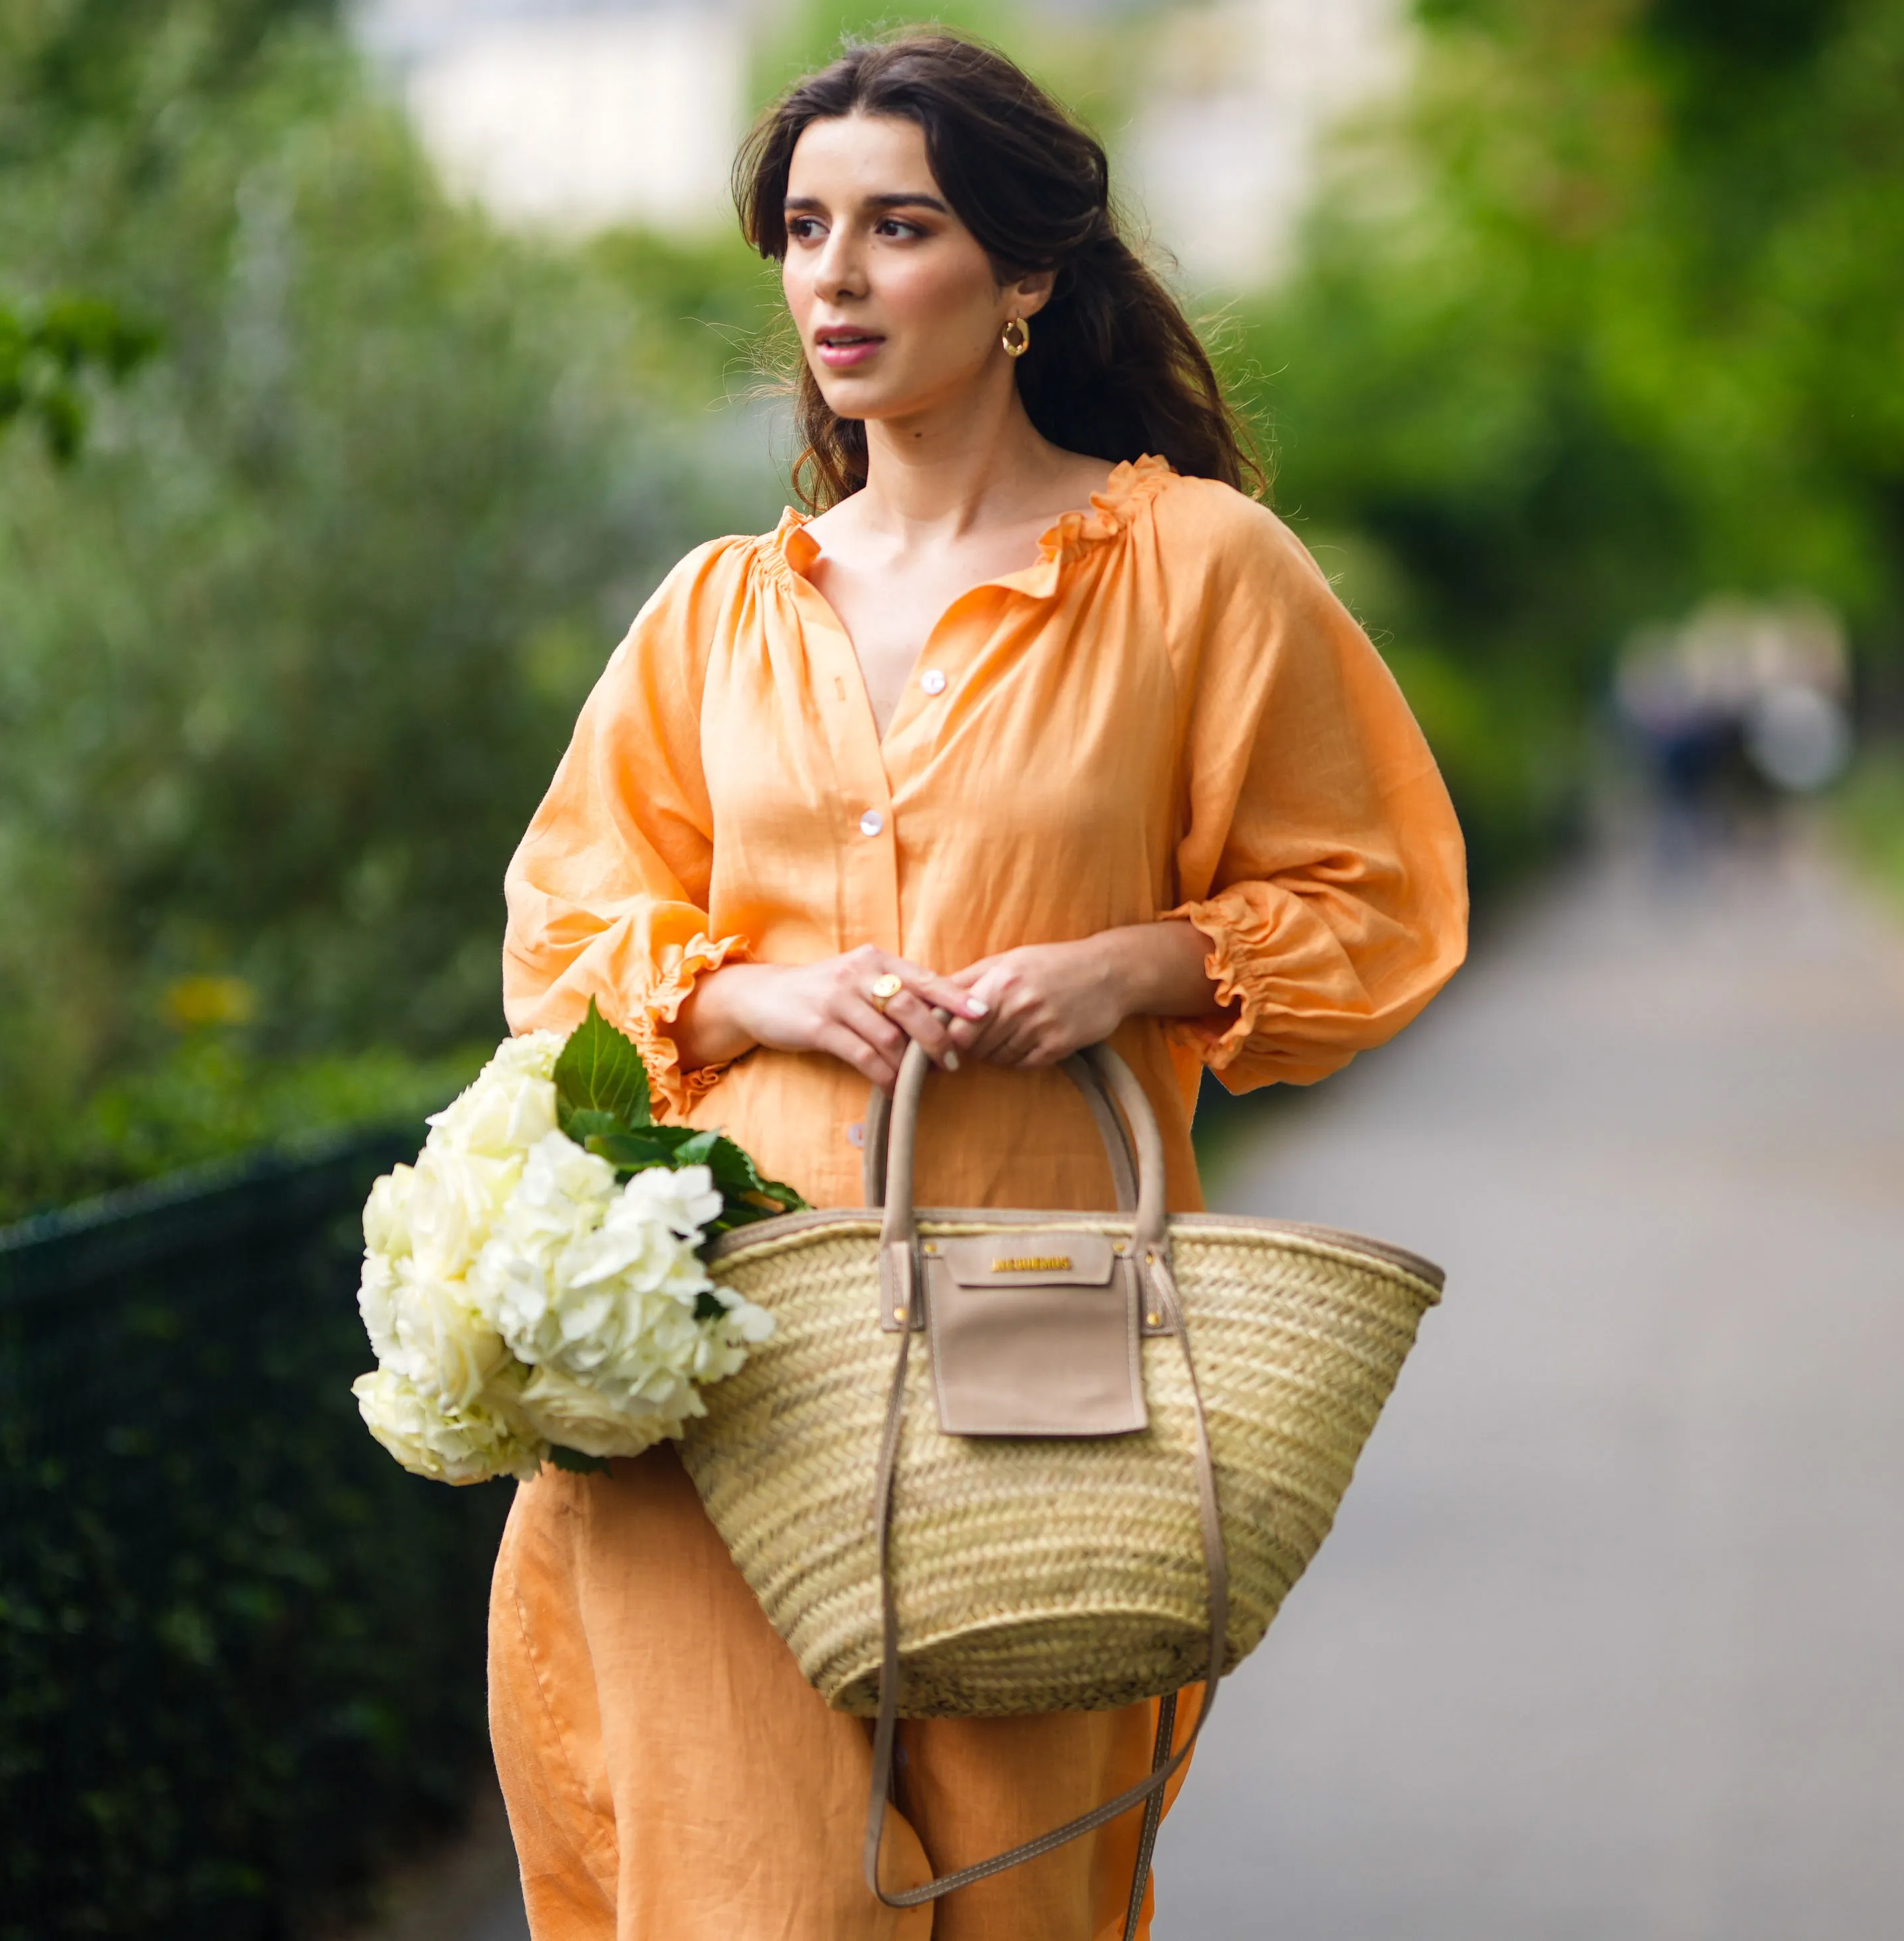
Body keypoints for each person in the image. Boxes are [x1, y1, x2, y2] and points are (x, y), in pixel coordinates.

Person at [482, 32, 1471, 1940]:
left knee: (1027, 1892)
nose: (834, 277)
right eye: (803, 229)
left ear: (1023, 279)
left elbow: (1380, 901)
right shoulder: (711, 616)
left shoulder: (1196, 569)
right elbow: (558, 938)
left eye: (899, 227)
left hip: (1044, 1324)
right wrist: (753, 994)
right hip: (726, 1340)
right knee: (753, 1900)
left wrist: (1142, 962)